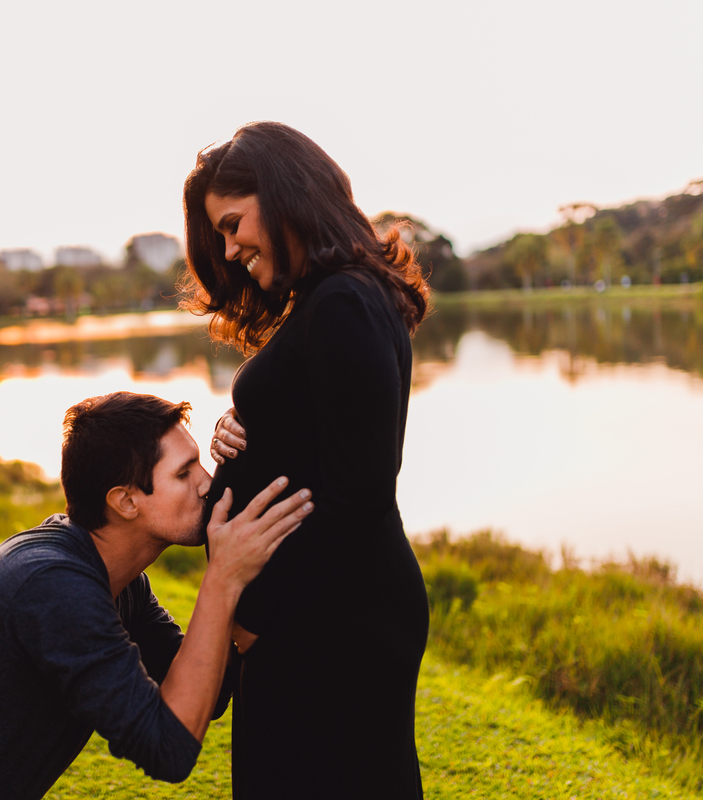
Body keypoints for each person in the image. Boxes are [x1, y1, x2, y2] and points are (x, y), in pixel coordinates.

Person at [0, 391, 313, 800]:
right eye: (185, 473)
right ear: (124, 500)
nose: (207, 482)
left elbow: (204, 693)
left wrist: (243, 457)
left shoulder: (113, 580)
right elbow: (168, 748)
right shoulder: (51, 587)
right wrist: (222, 580)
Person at [181, 121, 432, 799]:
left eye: (233, 225)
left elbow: (361, 492)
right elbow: (321, 433)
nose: (230, 251)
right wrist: (242, 430)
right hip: (321, 608)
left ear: (284, 193)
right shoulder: (326, 300)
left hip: (335, 616)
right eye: (221, 236)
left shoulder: (344, 300)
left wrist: (254, 614)